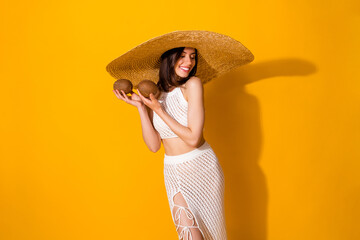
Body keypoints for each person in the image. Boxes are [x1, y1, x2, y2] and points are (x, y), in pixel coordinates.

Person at [113, 47, 228, 240]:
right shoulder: (154, 92)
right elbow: (154, 145)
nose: (189, 62)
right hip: (173, 171)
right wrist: (142, 107)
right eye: (182, 56)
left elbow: (193, 138)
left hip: (201, 168)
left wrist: (159, 110)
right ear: (169, 58)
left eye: (192, 57)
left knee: (212, 235)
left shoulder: (192, 84)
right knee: (188, 236)